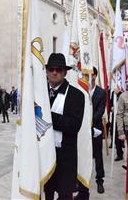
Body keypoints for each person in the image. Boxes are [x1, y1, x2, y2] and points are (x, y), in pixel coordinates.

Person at [43, 53, 84, 200]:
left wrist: (47, 116)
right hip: (43, 154)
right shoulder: (39, 93)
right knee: (44, 193)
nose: (54, 72)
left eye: (59, 69)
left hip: (65, 158)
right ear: (47, 71)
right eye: (51, 69)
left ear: (65, 72)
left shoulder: (76, 95)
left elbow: (73, 126)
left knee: (65, 195)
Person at [75, 67, 106, 199]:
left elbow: (100, 110)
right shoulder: (80, 90)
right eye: (84, 74)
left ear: (94, 76)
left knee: (98, 155)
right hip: (82, 129)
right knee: (81, 154)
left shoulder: (101, 92)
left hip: (95, 128)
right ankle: (79, 180)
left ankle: (100, 180)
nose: (86, 77)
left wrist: (90, 121)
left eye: (88, 74)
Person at [116, 75, 128, 161]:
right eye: (126, 82)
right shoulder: (122, 96)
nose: (127, 84)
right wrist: (120, 132)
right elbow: (119, 115)